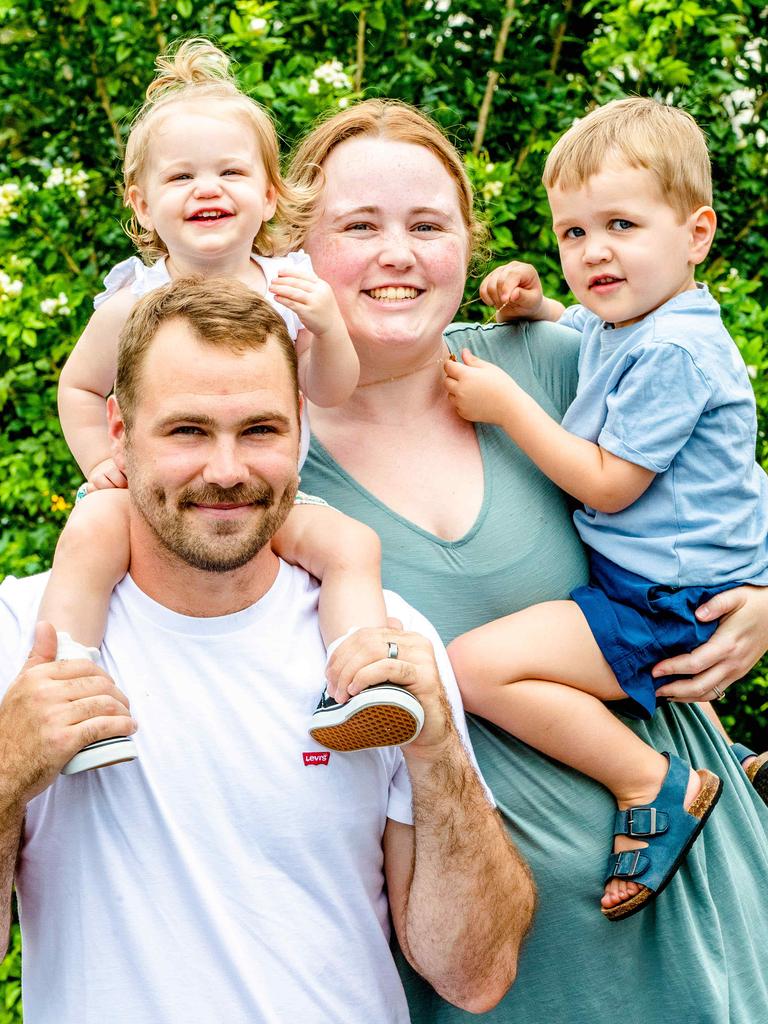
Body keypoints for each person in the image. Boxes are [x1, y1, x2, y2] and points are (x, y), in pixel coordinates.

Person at [286, 98, 768, 1022]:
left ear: (466, 244)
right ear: (297, 245)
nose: (399, 253)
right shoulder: (266, 444)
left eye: (428, 225)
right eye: (360, 225)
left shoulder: (541, 362)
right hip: (475, 971)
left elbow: (722, 469)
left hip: (693, 915)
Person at [0, 277, 534, 1024]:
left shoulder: (385, 639)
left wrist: (438, 751)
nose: (226, 470)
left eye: (260, 430)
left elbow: (474, 974)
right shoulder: (19, 633)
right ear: (118, 430)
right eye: (186, 431)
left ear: (300, 428)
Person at [43, 38, 421, 775]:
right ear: (141, 202)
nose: (205, 187)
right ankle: (71, 696)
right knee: (89, 532)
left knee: (353, 547)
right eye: (180, 175)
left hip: (270, 501)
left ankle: (357, 680)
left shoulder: (291, 289)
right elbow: (79, 388)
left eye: (230, 171)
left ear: (271, 193)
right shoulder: (132, 305)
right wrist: (100, 461)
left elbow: (331, 391)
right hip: (162, 501)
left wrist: (329, 327)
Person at [440, 97, 768, 921]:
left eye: (621, 224)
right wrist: (535, 307)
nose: (594, 252)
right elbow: (586, 326)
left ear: (697, 234)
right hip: (666, 579)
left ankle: (652, 783)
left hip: (668, 599)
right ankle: (724, 757)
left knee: (477, 668)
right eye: (574, 233)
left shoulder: (673, 350)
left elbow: (611, 484)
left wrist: (509, 406)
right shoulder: (640, 319)